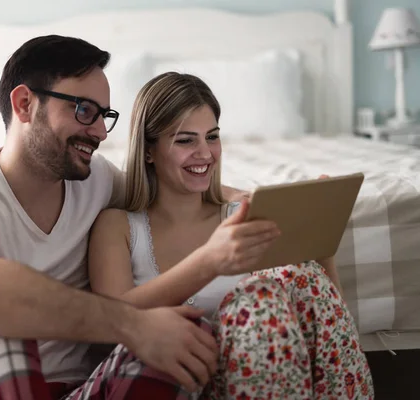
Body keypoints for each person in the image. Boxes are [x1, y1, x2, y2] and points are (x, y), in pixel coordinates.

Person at [0, 35, 252, 400]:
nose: (101, 132)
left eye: (105, 116)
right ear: (25, 104)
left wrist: (244, 198)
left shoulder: (95, 181)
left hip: (79, 391)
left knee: (176, 337)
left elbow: (165, 184)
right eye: (84, 111)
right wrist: (133, 324)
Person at [87, 71, 374, 399]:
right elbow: (106, 323)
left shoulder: (243, 215)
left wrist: (322, 242)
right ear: (148, 151)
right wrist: (208, 262)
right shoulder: (118, 226)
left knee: (302, 275)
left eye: (212, 136)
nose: (205, 153)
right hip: (169, 381)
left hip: (264, 378)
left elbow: (326, 324)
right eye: (185, 140)